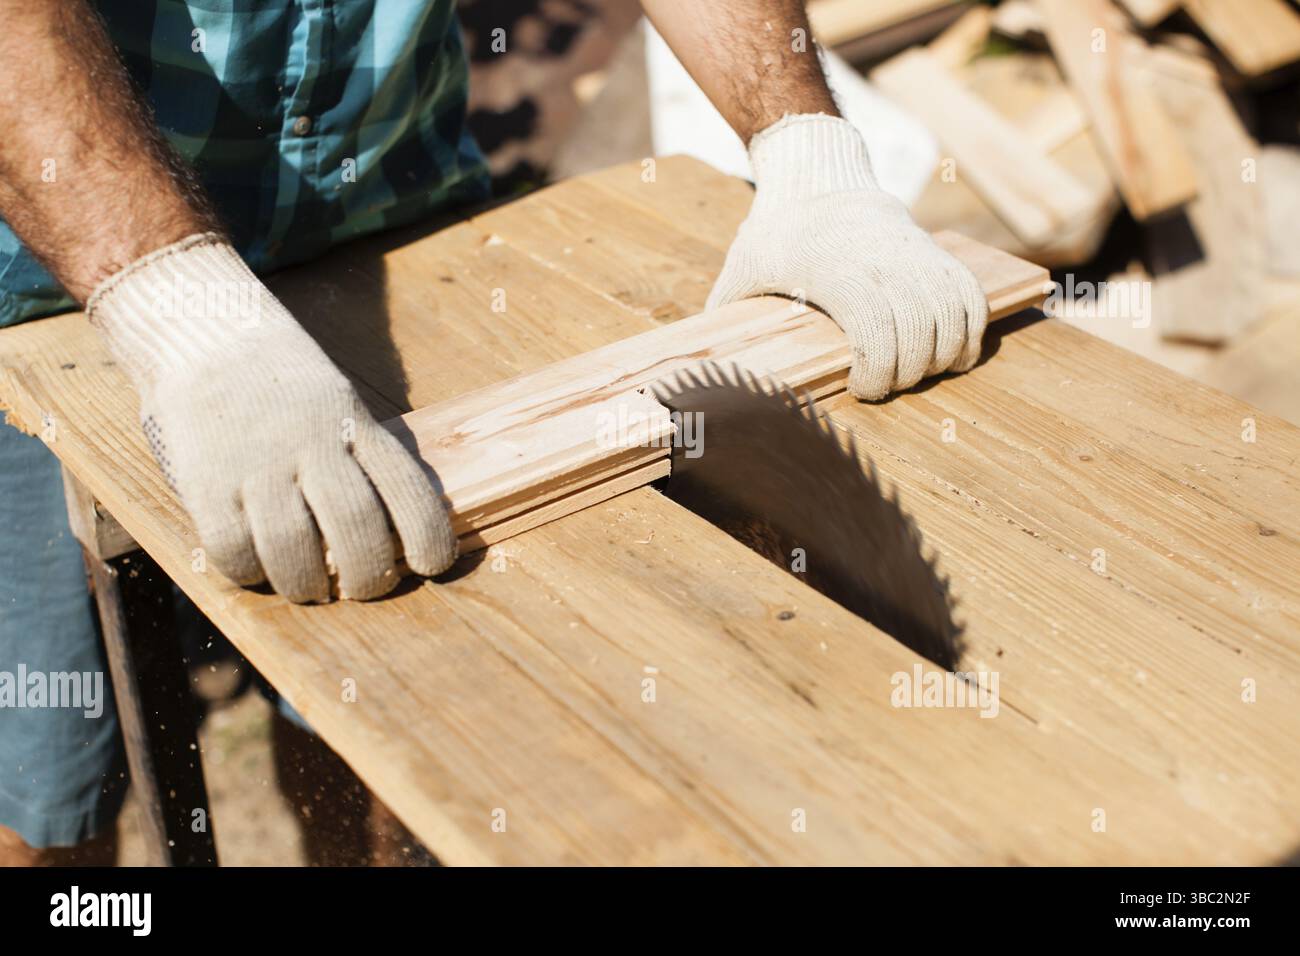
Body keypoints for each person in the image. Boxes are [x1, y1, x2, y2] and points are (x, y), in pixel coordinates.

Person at [0, 0, 987, 864]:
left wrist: (806, 153)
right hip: (54, 286)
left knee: (399, 744)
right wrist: (178, 309)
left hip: (397, 223)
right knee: (43, 794)